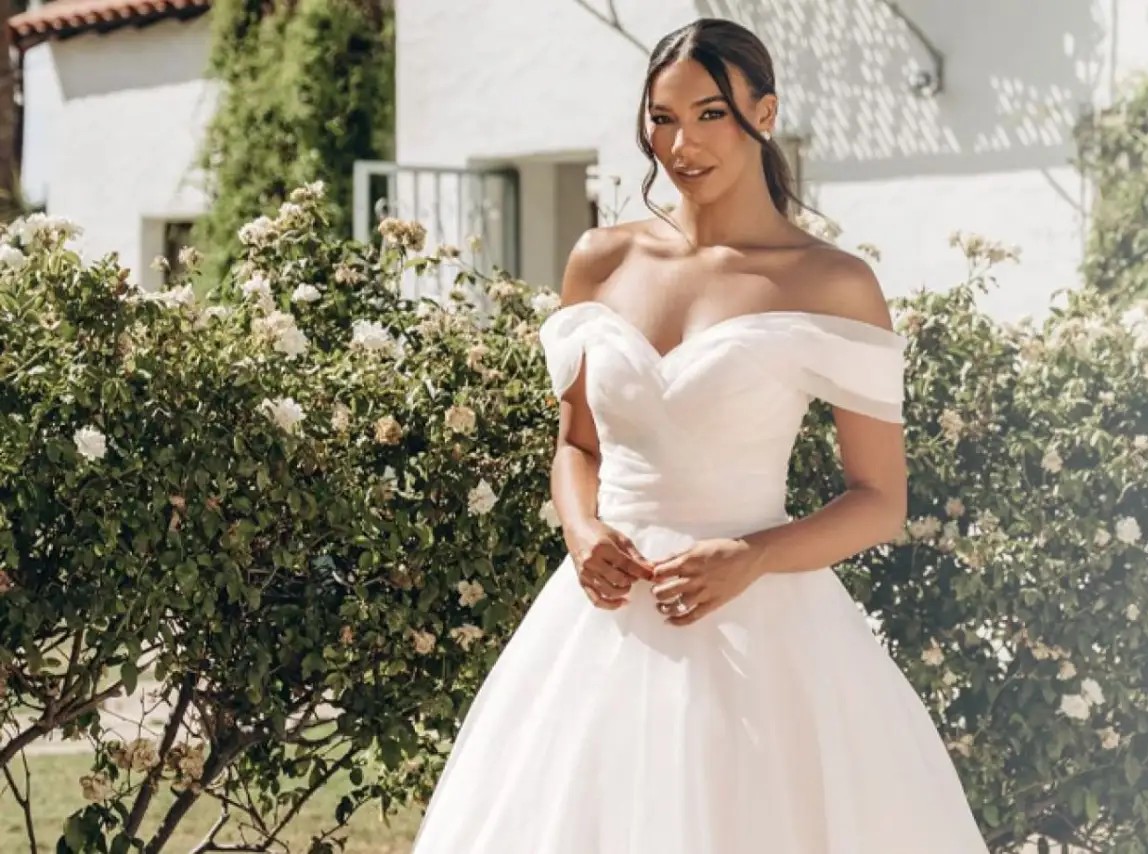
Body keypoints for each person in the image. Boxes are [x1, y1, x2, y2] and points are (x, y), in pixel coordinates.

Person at [409, 18, 989, 853]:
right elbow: (578, 445)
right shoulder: (600, 261)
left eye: (710, 114)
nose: (680, 143)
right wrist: (581, 529)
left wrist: (752, 554)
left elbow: (879, 500)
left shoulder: (831, 282)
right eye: (662, 117)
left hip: (766, 631)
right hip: (601, 623)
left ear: (764, 110)